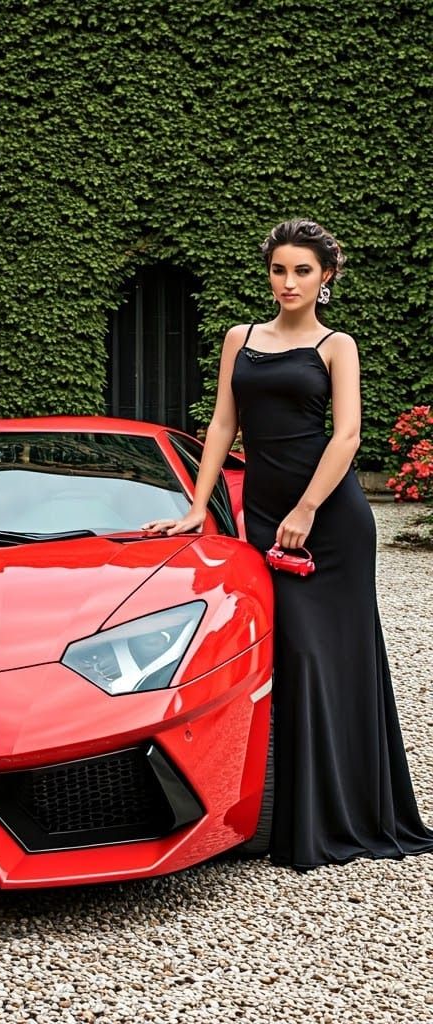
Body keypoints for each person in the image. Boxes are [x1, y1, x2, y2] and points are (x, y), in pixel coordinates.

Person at [142, 218, 433, 870]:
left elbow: (349, 437)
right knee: (291, 656)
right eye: (280, 269)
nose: (289, 282)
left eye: (303, 270)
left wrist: (306, 509)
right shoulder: (239, 339)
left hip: (330, 521)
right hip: (268, 514)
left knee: (336, 656)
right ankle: (293, 814)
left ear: (325, 277)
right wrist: (197, 507)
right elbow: (222, 423)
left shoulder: (337, 345)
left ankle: (346, 816)